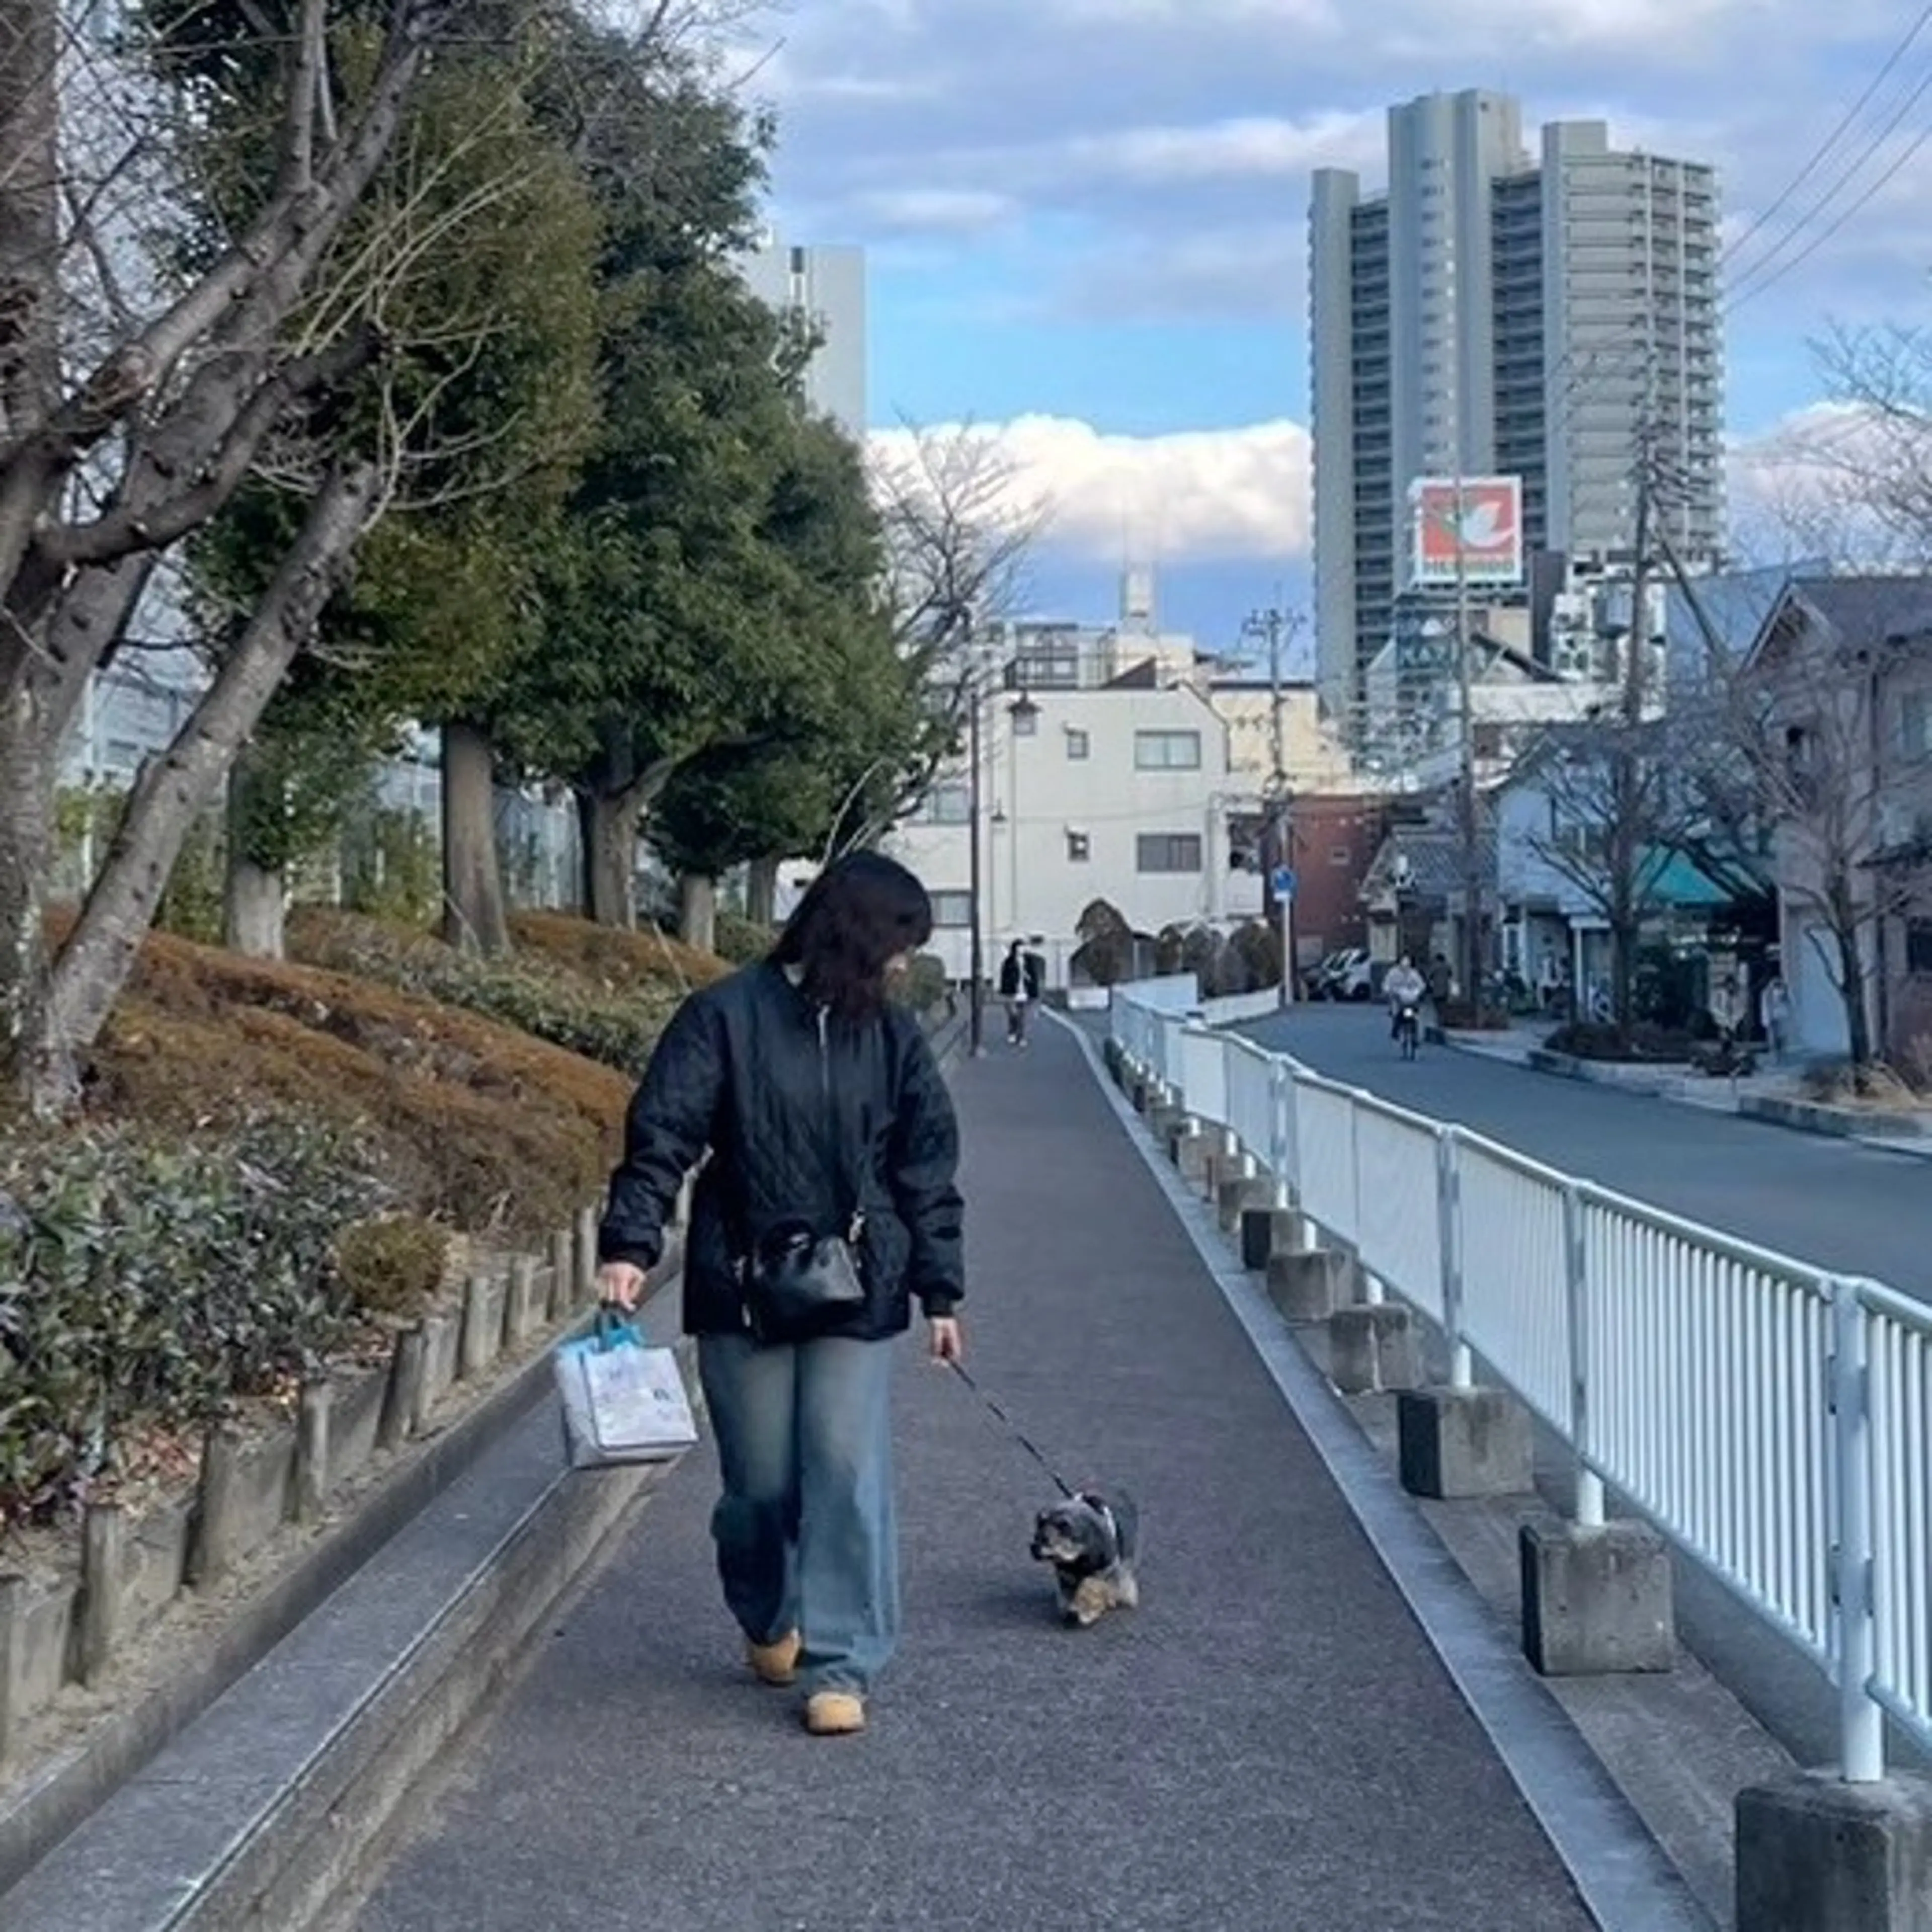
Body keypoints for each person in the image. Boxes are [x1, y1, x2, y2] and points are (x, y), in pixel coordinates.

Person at [595, 851, 965, 1739]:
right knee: (757, 1486)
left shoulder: (895, 1038)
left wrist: (941, 1291)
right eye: (900, 943)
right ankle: (768, 1614)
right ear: (858, 933)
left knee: (845, 1467)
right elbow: (663, 1135)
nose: (905, 964)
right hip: (744, 1276)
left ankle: (842, 1664)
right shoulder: (723, 1017)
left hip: (859, 1279)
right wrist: (630, 1245)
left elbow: (926, 1168)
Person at [997, 938, 1042, 1047]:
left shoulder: (1029, 961)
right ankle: (1012, 1031)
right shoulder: (1009, 962)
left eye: (1023, 947)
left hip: (1025, 991)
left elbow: (1034, 977)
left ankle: (1021, 1037)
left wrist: (1033, 987)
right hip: (1012, 992)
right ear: (1015, 949)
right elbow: (1004, 977)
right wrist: (1005, 989)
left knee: (1023, 1016)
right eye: (1019, 948)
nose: (1021, 950)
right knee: (1013, 1014)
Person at [1385, 954, 1426, 1038]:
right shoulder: (1393, 973)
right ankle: (1396, 1030)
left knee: (1415, 1016)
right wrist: (1389, 991)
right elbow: (1387, 984)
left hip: (1411, 999)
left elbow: (1421, 985)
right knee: (1396, 1013)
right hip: (1398, 998)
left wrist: (1418, 992)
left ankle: (1415, 1036)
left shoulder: (1413, 974)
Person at [1760, 973, 1791, 1063]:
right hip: (1773, 1018)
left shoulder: (1785, 991)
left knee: (1782, 1039)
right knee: (1773, 1039)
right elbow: (1766, 1006)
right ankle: (1775, 1057)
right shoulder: (1767, 993)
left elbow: (1789, 1004)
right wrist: (1766, 1019)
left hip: (1782, 1017)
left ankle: (1783, 1056)